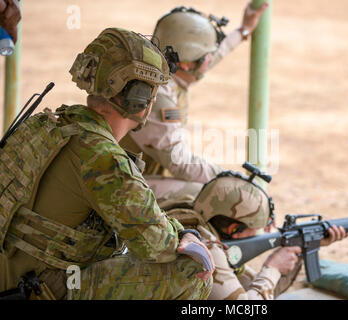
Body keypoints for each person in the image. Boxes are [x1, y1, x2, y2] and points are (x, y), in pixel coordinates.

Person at [0, 27, 214, 300]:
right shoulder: (103, 157)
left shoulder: (48, 125)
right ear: (139, 98)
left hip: (14, 277)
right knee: (190, 270)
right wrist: (187, 234)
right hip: (38, 289)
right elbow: (155, 243)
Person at [120, 2, 269, 201]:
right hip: (120, 183)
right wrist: (229, 179)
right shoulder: (159, 97)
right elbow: (180, 162)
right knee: (212, 195)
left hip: (132, 171)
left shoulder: (166, 71)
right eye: (205, 56)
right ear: (186, 64)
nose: (210, 60)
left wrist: (243, 31)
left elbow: (211, 56)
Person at [161, 169, 348, 300]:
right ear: (233, 229)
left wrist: (302, 246)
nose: (258, 234)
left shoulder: (194, 219)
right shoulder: (205, 250)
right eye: (256, 228)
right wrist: (273, 267)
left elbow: (260, 289)